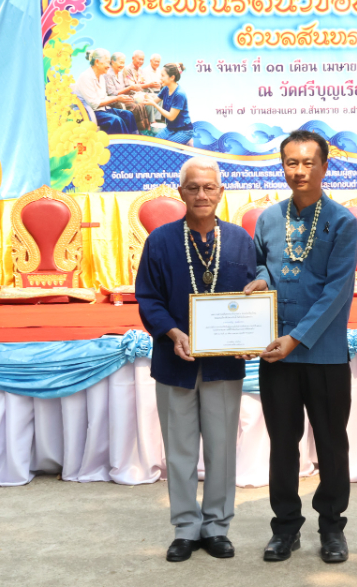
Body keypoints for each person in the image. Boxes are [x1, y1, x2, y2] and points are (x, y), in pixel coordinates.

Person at [243, 130, 357, 564]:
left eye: (309, 163)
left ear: (324, 166)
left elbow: (337, 291)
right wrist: (260, 281)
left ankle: (332, 528)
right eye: (292, 162)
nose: (300, 171)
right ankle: (285, 528)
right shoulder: (268, 218)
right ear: (283, 166)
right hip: (276, 353)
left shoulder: (342, 221)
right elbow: (262, 265)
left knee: (331, 444)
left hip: (324, 354)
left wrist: (297, 338)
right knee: (282, 444)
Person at [134, 157, 257, 562]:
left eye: (209, 187)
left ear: (221, 191)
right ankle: (186, 528)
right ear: (181, 192)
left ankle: (217, 526)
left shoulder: (240, 240)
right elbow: (148, 298)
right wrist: (173, 333)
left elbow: (254, 296)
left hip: (224, 364)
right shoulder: (160, 241)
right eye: (193, 187)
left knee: (222, 449)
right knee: (180, 450)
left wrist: (250, 336)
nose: (201, 194)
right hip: (175, 362)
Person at [76, 49, 139, 135]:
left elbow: (104, 97)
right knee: (115, 120)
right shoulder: (85, 77)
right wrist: (117, 99)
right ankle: (122, 142)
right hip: (90, 112)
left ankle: (133, 139)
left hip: (102, 109)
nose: (109, 66)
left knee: (128, 115)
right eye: (107, 63)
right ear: (97, 62)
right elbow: (93, 104)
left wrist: (121, 98)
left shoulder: (101, 77)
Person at [149, 63, 195, 145]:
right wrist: (143, 97)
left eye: (163, 75)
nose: (160, 78)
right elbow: (154, 101)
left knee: (166, 148)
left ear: (172, 77)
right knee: (154, 145)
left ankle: (188, 141)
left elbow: (171, 117)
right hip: (170, 128)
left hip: (184, 131)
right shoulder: (165, 89)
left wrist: (155, 105)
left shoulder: (179, 94)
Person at [104, 51, 151, 130]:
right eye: (121, 62)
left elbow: (125, 88)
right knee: (135, 106)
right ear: (113, 62)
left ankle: (144, 127)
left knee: (139, 102)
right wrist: (130, 88)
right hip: (114, 101)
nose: (122, 65)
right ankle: (134, 129)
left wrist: (134, 91)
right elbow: (112, 93)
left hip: (123, 98)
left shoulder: (120, 73)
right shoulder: (108, 74)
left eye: (124, 63)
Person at [143, 53, 164, 122]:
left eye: (158, 62)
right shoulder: (146, 70)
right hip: (149, 91)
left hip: (158, 91)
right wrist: (158, 82)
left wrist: (159, 82)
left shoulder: (159, 70)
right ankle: (152, 120)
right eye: (155, 61)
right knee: (158, 97)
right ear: (151, 61)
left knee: (163, 96)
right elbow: (150, 83)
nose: (157, 63)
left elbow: (161, 81)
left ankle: (157, 119)